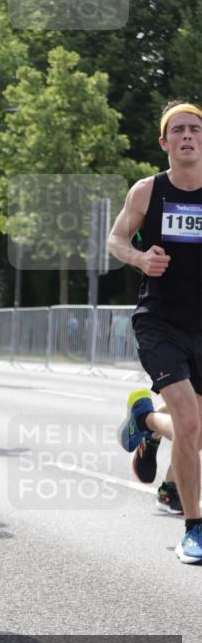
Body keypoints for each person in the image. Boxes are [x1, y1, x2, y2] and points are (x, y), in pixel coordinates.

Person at [108, 100, 202, 563]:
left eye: (196, 129)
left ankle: (144, 421)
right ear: (165, 142)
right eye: (179, 130)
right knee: (188, 422)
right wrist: (142, 259)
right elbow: (115, 239)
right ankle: (194, 526)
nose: (188, 136)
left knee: (195, 433)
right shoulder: (148, 192)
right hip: (160, 321)